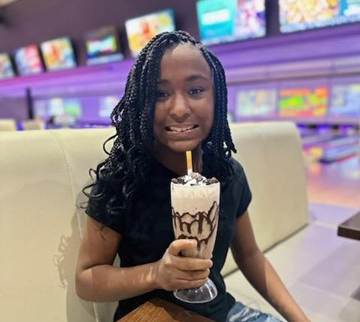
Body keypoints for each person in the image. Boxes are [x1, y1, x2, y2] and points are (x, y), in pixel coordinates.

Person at [75, 30, 310, 322]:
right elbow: (86, 278)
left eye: (196, 90)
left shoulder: (228, 173)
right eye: (160, 94)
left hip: (221, 312)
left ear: (217, 97)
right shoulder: (122, 178)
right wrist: (156, 274)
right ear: (141, 104)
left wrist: (301, 319)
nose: (180, 109)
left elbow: (250, 256)